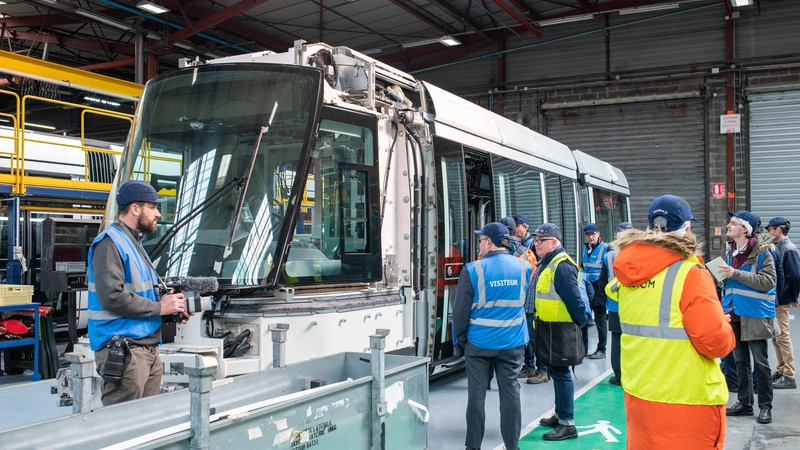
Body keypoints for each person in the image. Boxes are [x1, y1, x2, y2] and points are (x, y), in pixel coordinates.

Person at [609, 194, 735, 448]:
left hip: (640, 395)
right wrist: (724, 323)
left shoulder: (628, 274)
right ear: (687, 229)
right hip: (686, 400)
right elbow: (715, 343)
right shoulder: (690, 273)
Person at [87, 181, 190, 406]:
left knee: (146, 427)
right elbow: (112, 296)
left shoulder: (134, 244)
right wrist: (160, 307)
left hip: (146, 349)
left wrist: (171, 306)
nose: (157, 214)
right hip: (125, 351)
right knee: (122, 426)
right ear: (135, 208)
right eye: (152, 207)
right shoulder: (110, 243)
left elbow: (141, 291)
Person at [453, 222, 532, 450]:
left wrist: (463, 341)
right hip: (513, 342)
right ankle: (512, 446)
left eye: (480, 240)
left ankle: (473, 446)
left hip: (479, 343)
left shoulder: (473, 269)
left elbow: (460, 313)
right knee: (510, 393)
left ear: (488, 242)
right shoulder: (524, 267)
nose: (479, 243)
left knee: (476, 397)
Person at [527, 223, 588, 441]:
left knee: (561, 375)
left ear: (555, 242)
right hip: (550, 328)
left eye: (542, 241)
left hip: (561, 330)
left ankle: (567, 424)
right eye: (536, 240)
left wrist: (580, 323)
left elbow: (574, 300)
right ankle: (560, 414)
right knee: (556, 373)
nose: (537, 244)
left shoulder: (560, 266)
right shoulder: (548, 263)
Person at [719, 210, 780, 424]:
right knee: (739, 361)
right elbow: (731, 284)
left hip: (755, 314)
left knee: (761, 363)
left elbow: (768, 281)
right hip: (734, 314)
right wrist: (720, 278)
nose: (728, 226)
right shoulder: (731, 252)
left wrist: (735, 274)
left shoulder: (764, 253)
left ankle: (765, 407)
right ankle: (745, 403)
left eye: (733, 223)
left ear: (744, 229)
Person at [767, 217, 800, 389]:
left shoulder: (788, 248)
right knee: (776, 336)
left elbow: (795, 276)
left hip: (782, 298)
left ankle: (789, 375)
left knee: (782, 335)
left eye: (770, 229)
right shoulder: (779, 246)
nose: (768, 232)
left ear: (778, 230)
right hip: (776, 298)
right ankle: (780, 370)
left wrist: (794, 297)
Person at [599, 221, 633, 385]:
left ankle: (618, 375)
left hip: (614, 305)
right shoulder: (638, 254)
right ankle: (632, 372)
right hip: (634, 305)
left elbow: (601, 283)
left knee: (617, 339)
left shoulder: (609, 256)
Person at [581, 223, 609, 359]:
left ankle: (602, 349)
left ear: (598, 234)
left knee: (600, 320)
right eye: (588, 235)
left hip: (599, 287)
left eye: (593, 234)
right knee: (584, 318)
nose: (591, 237)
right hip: (587, 286)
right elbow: (583, 267)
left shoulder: (606, 248)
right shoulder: (584, 248)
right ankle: (583, 349)